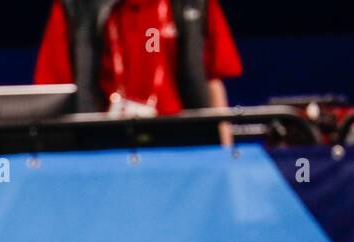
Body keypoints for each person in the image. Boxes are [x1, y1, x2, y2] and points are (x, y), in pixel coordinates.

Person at [34, 0, 242, 144]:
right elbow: (53, 93)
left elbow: (211, 81)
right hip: (104, 145)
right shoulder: (75, 6)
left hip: (179, 143)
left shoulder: (194, 4)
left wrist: (225, 153)